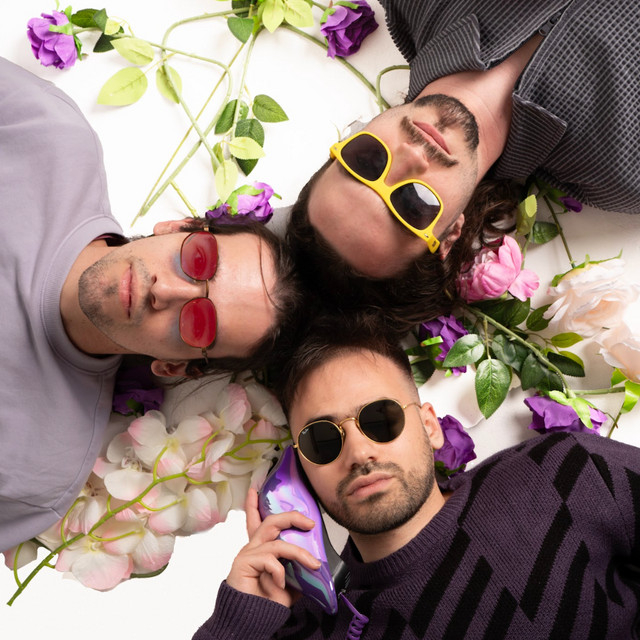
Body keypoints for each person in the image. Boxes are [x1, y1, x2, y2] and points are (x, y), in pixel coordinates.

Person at [0, 57, 302, 552]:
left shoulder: (41, 470)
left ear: (174, 366)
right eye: (198, 260)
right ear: (178, 227)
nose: (168, 292)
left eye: (199, 323)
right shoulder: (45, 134)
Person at [193, 321, 640, 639]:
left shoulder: (565, 473)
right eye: (323, 439)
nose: (359, 453)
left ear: (429, 425)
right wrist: (238, 622)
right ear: (299, 470)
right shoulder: (303, 623)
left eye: (380, 418)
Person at [286, 0, 640, 334]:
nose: (412, 155)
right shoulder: (625, 171)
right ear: (451, 234)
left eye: (365, 161)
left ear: (350, 139)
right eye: (413, 204)